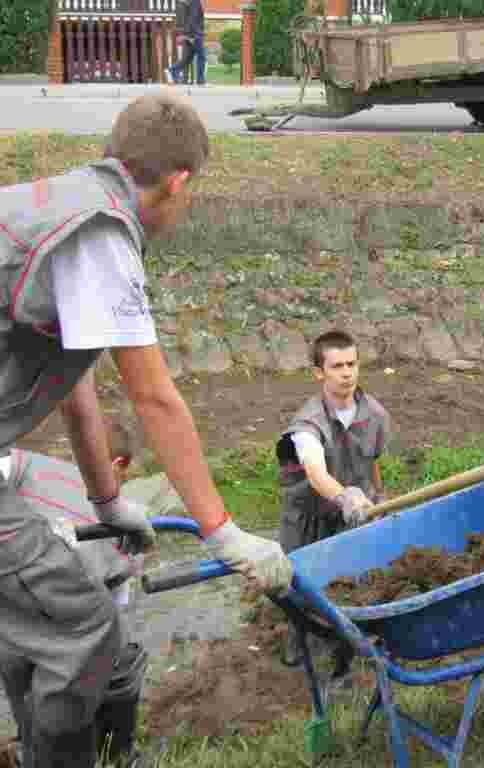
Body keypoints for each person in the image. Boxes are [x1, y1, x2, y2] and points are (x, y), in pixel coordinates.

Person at [0, 91, 291, 768]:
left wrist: (107, 501)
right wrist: (225, 534)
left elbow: (74, 384)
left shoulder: (64, 202)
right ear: (179, 182)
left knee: (43, 626)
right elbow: (153, 397)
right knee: (85, 632)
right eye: (192, 196)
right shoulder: (100, 237)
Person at [3, 405, 144, 767]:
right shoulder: (120, 524)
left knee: (23, 672)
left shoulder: (30, 467)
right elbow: (117, 605)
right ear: (118, 465)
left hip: (17, 602)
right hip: (66, 605)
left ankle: (29, 751)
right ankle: (116, 754)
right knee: (118, 665)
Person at [275, 330, 391, 689]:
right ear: (319, 372)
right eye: (337, 365)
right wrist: (347, 497)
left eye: (352, 364)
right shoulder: (307, 425)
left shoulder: (373, 413)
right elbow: (316, 474)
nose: (346, 373)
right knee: (298, 587)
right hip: (308, 516)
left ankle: (343, 658)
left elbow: (371, 459)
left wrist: (378, 494)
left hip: (351, 516)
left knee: (348, 582)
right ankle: (298, 644)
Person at [166, 0, 206, 86]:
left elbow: (186, 18)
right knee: (202, 56)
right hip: (194, 34)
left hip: (188, 33)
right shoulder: (195, 2)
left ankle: (172, 70)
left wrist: (184, 34)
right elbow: (193, 19)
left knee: (187, 58)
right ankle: (200, 80)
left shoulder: (187, 2)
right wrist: (193, 35)